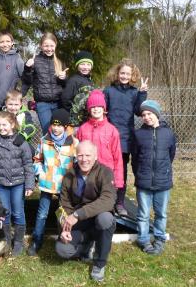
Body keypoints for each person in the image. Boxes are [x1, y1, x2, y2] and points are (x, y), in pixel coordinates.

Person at [55, 140, 116, 282]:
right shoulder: (69, 175)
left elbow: (108, 200)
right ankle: (86, 245)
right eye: (80, 155)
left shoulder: (105, 172)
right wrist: (64, 227)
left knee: (105, 219)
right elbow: (64, 205)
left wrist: (78, 214)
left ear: (96, 156)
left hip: (97, 218)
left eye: (88, 155)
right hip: (80, 222)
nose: (84, 159)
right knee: (62, 250)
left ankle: (99, 263)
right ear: (76, 156)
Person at [28, 109, 78, 256]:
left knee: (64, 214)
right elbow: (37, 159)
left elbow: (77, 163)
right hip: (47, 183)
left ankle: (64, 240)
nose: (56, 128)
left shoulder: (73, 143)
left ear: (65, 126)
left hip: (65, 186)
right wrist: (40, 172)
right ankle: (37, 241)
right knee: (42, 213)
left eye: (59, 125)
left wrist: (73, 179)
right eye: (53, 125)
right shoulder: (44, 141)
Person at [0, 111, 34, 256]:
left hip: (18, 183)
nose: (1, 127)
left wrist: (29, 185)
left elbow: (28, 164)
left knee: (18, 212)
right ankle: (6, 240)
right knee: (4, 212)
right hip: (1, 183)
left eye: (4, 125)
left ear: (12, 124)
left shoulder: (21, 142)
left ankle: (18, 241)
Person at [103, 58, 148, 215]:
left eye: (128, 74)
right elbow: (103, 110)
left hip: (125, 139)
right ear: (117, 73)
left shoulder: (134, 93)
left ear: (132, 75)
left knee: (121, 172)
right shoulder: (108, 91)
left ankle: (120, 203)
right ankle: (107, 201)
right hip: (109, 138)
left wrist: (142, 93)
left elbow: (138, 111)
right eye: (122, 73)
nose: (124, 76)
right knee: (106, 171)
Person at [132, 100, 176, 256]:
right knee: (143, 214)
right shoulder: (138, 134)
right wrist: (140, 174)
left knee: (161, 213)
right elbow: (135, 158)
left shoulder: (168, 133)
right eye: (143, 115)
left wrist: (162, 171)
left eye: (149, 114)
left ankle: (159, 238)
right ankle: (143, 239)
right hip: (143, 181)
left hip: (163, 182)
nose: (146, 117)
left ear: (156, 114)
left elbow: (171, 155)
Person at [77, 89, 124, 193]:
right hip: (87, 174)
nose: (96, 109)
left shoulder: (112, 130)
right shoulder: (82, 129)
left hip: (106, 175)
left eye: (99, 106)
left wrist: (118, 180)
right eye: (93, 107)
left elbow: (117, 157)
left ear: (104, 109)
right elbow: (77, 154)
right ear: (89, 109)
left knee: (104, 205)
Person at [21, 32, 68, 134]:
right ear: (41, 46)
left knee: (59, 131)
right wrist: (28, 68)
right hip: (42, 104)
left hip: (58, 103)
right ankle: (47, 150)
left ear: (55, 45)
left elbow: (65, 85)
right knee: (48, 131)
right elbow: (27, 81)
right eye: (46, 46)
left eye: (51, 46)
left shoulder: (59, 62)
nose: (49, 48)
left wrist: (63, 79)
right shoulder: (35, 61)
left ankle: (60, 150)